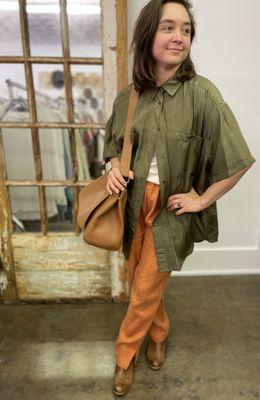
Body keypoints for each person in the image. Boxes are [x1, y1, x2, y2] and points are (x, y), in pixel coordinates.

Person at [103, 0, 256, 396]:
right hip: (133, 203)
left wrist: (202, 200)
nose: (179, 37)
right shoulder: (130, 96)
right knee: (141, 280)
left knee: (143, 288)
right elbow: (112, 144)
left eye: (186, 30)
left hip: (170, 210)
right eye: (169, 27)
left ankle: (124, 357)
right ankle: (159, 333)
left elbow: (238, 158)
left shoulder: (202, 94)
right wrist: (110, 168)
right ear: (147, 33)